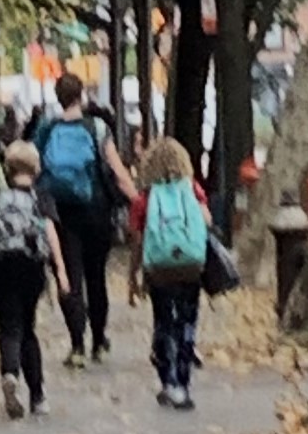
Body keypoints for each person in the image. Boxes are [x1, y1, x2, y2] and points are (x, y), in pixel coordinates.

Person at [34, 72, 139, 367]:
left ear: (58, 97)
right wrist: (139, 200)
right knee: (96, 277)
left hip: (60, 212)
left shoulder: (47, 127)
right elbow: (117, 171)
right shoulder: (97, 127)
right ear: (80, 96)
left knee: (69, 275)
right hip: (96, 211)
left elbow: (34, 166)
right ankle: (99, 340)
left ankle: (77, 344)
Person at [128, 136, 212, 410]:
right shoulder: (193, 190)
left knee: (164, 323)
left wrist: (134, 276)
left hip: (159, 269)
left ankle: (168, 382)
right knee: (187, 323)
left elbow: (138, 241)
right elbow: (207, 220)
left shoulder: (145, 198)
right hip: (190, 266)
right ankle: (184, 385)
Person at [0, 140, 66, 418]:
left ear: (8, 169)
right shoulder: (42, 198)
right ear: (36, 168)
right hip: (32, 266)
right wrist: (62, 274)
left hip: (2, 265)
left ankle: (10, 373)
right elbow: (52, 235)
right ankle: (38, 396)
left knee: (9, 326)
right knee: (28, 328)